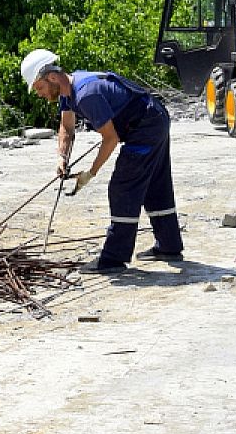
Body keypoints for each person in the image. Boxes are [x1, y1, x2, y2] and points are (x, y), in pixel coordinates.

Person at [21, 48, 183, 274]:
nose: (39, 93)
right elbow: (66, 127)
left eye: (39, 87)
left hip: (146, 126)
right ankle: (169, 245)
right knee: (155, 183)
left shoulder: (87, 94)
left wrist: (91, 172)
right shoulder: (68, 92)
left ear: (52, 77)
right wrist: (62, 157)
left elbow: (110, 138)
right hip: (152, 119)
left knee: (123, 187)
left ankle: (114, 258)